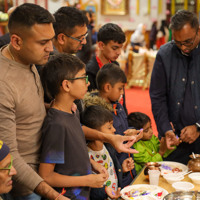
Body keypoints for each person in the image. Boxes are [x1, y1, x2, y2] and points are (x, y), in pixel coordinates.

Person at [0, 3, 69, 200]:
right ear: (17, 41)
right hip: (27, 184)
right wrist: (53, 196)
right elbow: (10, 156)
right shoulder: (3, 84)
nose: (51, 47)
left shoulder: (27, 58)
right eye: (43, 42)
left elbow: (26, 110)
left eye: (51, 39)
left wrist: (55, 107)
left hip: (46, 166)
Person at [39, 53, 108, 199]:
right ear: (66, 85)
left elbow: (72, 152)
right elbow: (47, 176)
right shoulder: (57, 124)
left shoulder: (72, 111)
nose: (88, 83)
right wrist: (87, 179)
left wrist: (92, 164)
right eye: (84, 78)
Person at [150, 10, 200, 165]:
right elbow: (158, 96)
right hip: (177, 140)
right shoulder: (165, 54)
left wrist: (198, 127)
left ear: (198, 31)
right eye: (178, 43)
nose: (183, 48)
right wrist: (165, 128)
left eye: (188, 42)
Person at [84, 63, 142, 188]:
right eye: (120, 88)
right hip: (113, 168)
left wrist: (130, 132)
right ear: (107, 87)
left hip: (125, 167)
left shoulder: (118, 106)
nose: (122, 92)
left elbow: (122, 128)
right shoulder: (96, 115)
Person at [81, 105, 135, 199]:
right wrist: (105, 191)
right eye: (109, 127)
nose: (114, 129)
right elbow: (89, 187)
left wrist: (122, 169)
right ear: (94, 132)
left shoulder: (108, 147)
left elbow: (112, 173)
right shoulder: (87, 156)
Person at [86, 23, 128, 114]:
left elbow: (122, 99)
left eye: (120, 48)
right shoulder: (90, 71)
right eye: (114, 48)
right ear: (101, 45)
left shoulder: (115, 65)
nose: (119, 52)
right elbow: (90, 105)